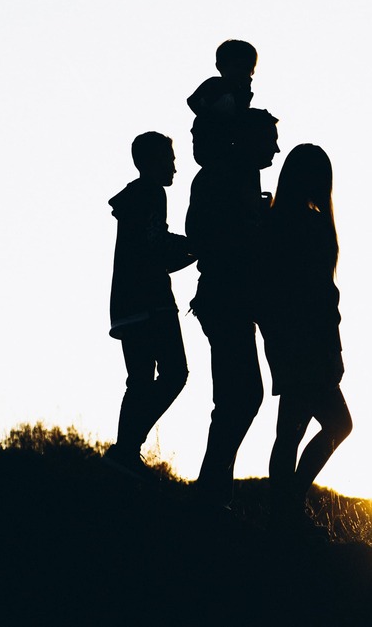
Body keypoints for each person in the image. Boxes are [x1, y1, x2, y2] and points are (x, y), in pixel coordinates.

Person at [186, 108, 280, 509]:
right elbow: (200, 234)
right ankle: (211, 492)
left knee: (237, 397)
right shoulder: (221, 176)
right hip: (224, 297)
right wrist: (252, 227)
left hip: (233, 297)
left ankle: (214, 491)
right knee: (240, 397)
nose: (276, 147)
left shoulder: (238, 176)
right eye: (269, 139)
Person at [261, 144, 352, 532]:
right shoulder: (312, 226)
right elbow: (321, 296)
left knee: (290, 431)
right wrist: (334, 349)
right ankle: (289, 504)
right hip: (310, 342)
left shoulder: (273, 222)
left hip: (284, 339)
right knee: (337, 425)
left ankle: (283, 510)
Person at [105, 132, 195, 479]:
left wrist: (190, 249)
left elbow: (152, 248)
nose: (174, 166)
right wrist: (199, 247)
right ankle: (126, 447)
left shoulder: (135, 199)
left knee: (139, 381)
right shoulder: (152, 195)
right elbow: (157, 249)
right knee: (175, 374)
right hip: (152, 302)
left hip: (127, 304)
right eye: (167, 159)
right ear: (149, 163)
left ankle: (124, 452)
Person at [187, 39, 258, 170]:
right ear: (221, 66)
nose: (242, 72)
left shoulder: (241, 92)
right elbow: (192, 100)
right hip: (211, 140)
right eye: (237, 66)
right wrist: (208, 116)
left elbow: (241, 112)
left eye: (247, 69)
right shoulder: (215, 84)